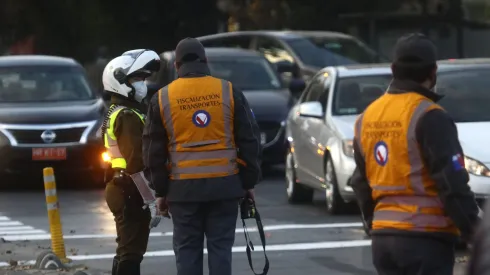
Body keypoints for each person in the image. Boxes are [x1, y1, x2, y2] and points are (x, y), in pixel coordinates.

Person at [350, 33, 480, 275]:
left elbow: (360, 182)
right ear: (433, 72)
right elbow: (452, 184)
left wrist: (375, 225)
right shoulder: (429, 115)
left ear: (393, 69)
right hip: (426, 239)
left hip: (384, 241)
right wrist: (476, 235)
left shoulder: (367, 117)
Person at [143, 37, 262, 275]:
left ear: (176, 66)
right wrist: (248, 183)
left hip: (182, 192)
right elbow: (249, 140)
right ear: (205, 61)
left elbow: (152, 152)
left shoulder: (162, 98)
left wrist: (161, 191)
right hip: (225, 188)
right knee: (220, 250)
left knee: (187, 251)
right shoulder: (228, 91)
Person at [101, 49, 162, 275]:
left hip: (121, 187)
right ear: (119, 81)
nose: (142, 84)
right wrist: (152, 200)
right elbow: (135, 164)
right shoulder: (127, 115)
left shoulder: (118, 110)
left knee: (127, 249)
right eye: (136, 79)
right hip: (129, 189)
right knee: (131, 252)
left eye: (143, 79)